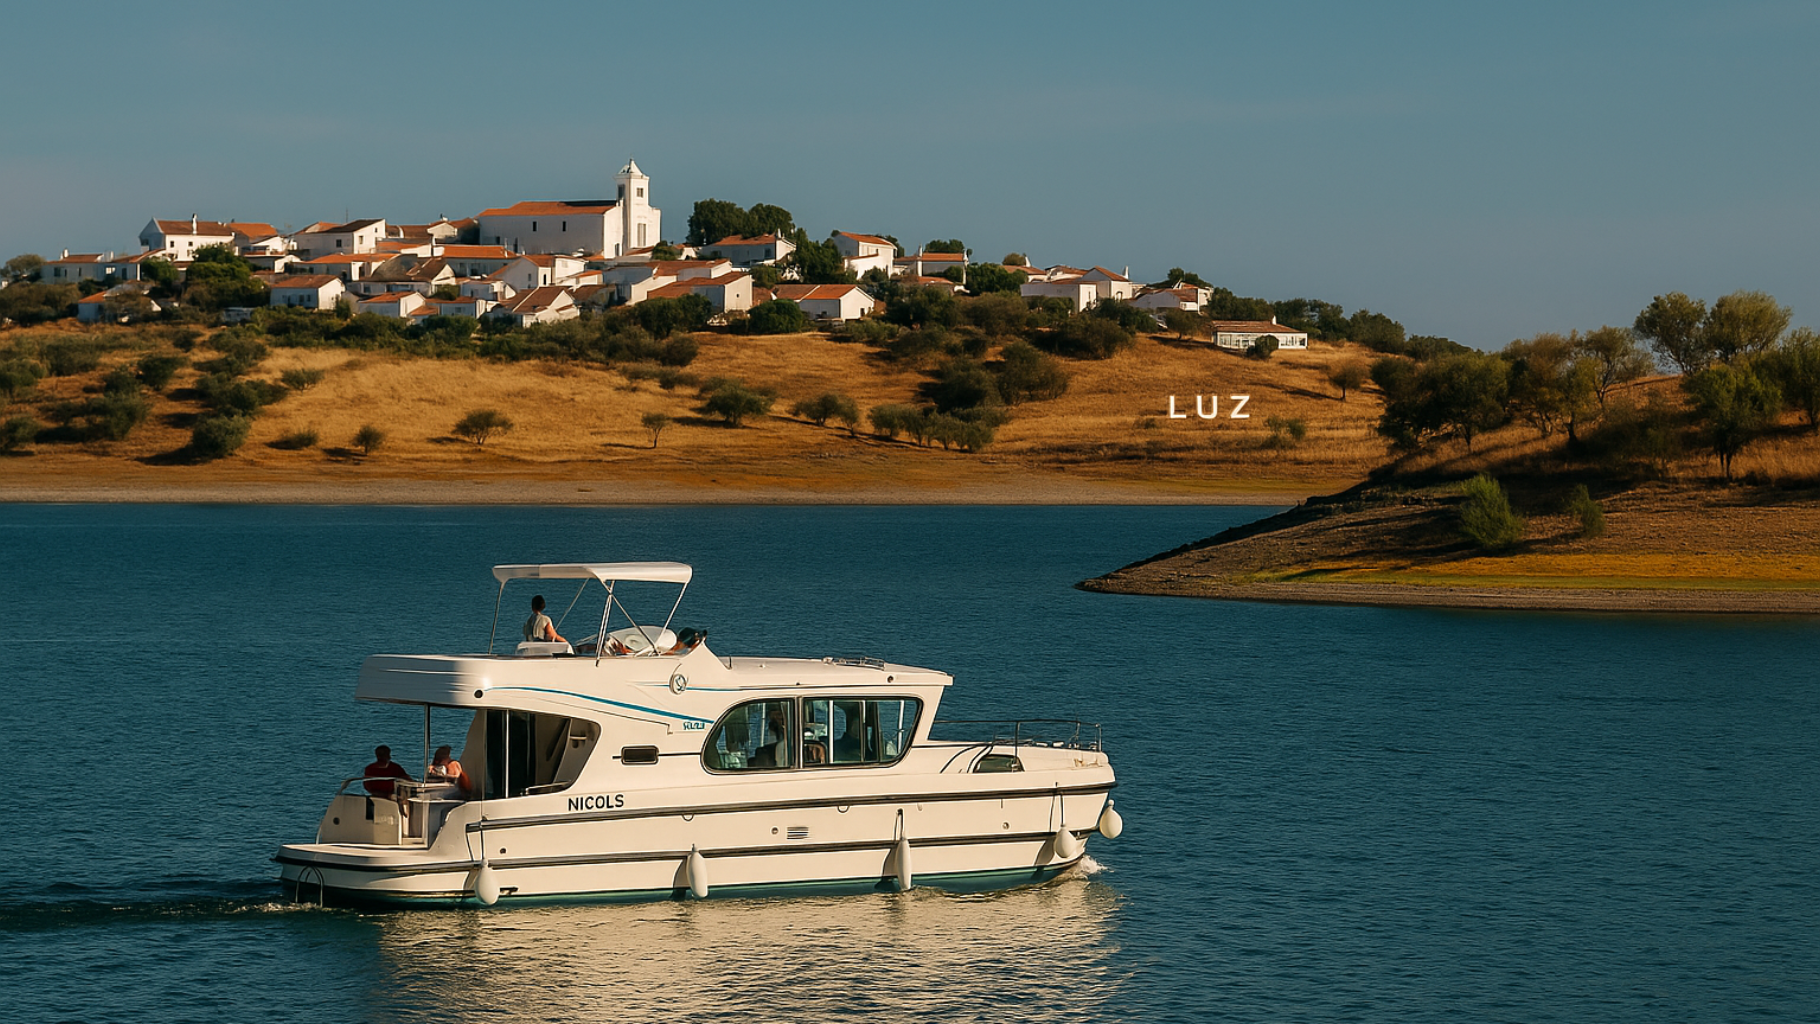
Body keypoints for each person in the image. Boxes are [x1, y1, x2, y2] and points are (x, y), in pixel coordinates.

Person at [362, 745, 413, 820]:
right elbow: (368, 787)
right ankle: (405, 818)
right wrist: (388, 795)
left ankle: (405, 817)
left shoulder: (394, 767)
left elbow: (406, 778)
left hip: (393, 793)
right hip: (380, 795)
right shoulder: (371, 769)